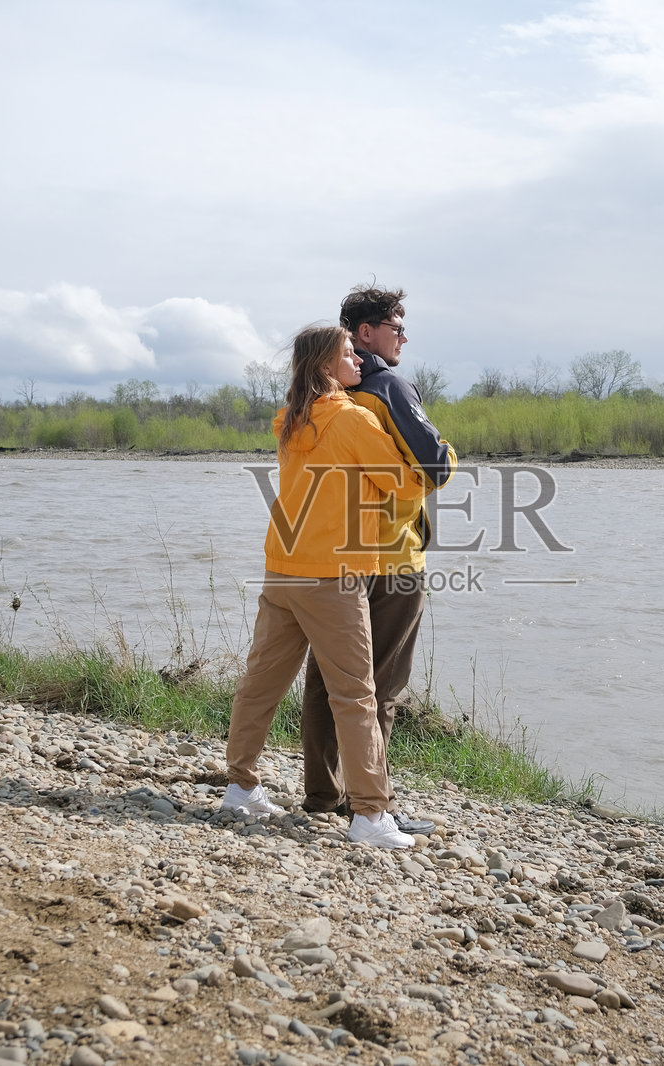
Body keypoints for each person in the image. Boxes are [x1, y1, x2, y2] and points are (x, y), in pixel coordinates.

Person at [221, 324, 428, 849]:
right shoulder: (354, 419)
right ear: (325, 367)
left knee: (261, 683)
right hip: (333, 577)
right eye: (348, 355)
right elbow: (408, 482)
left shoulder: (288, 421)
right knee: (356, 695)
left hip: (282, 568)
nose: (358, 360)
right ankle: (370, 816)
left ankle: (241, 786)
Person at [299, 286, 456, 833]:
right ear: (366, 333)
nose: (403, 337)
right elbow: (435, 466)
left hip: (332, 552)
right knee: (381, 684)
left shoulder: (323, 393)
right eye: (396, 326)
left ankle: (322, 792)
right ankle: (373, 801)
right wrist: (448, 449)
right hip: (391, 557)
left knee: (327, 677)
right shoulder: (388, 384)